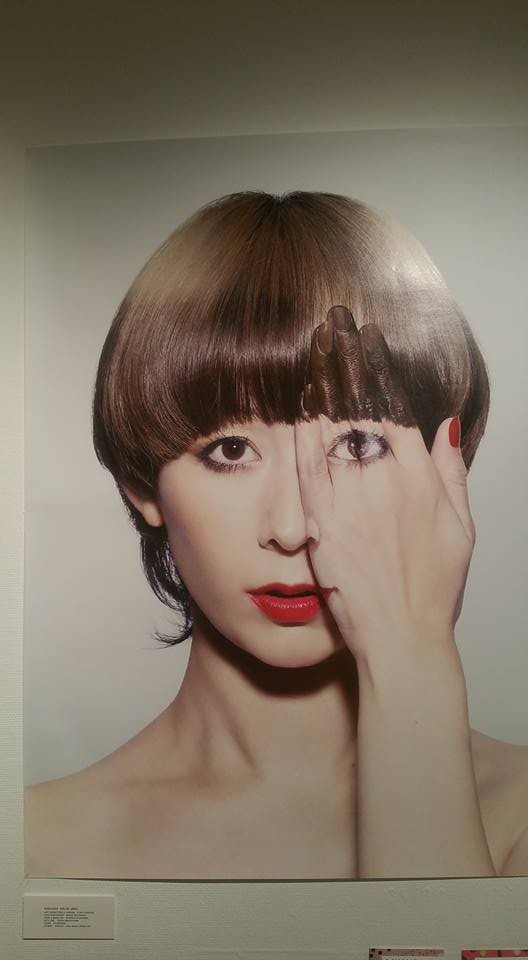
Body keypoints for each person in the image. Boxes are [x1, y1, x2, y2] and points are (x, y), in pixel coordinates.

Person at [25, 191, 528, 879]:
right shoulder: (35, 851)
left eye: (355, 445)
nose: (293, 528)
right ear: (142, 485)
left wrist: (412, 667)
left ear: (442, 473)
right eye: (231, 450)